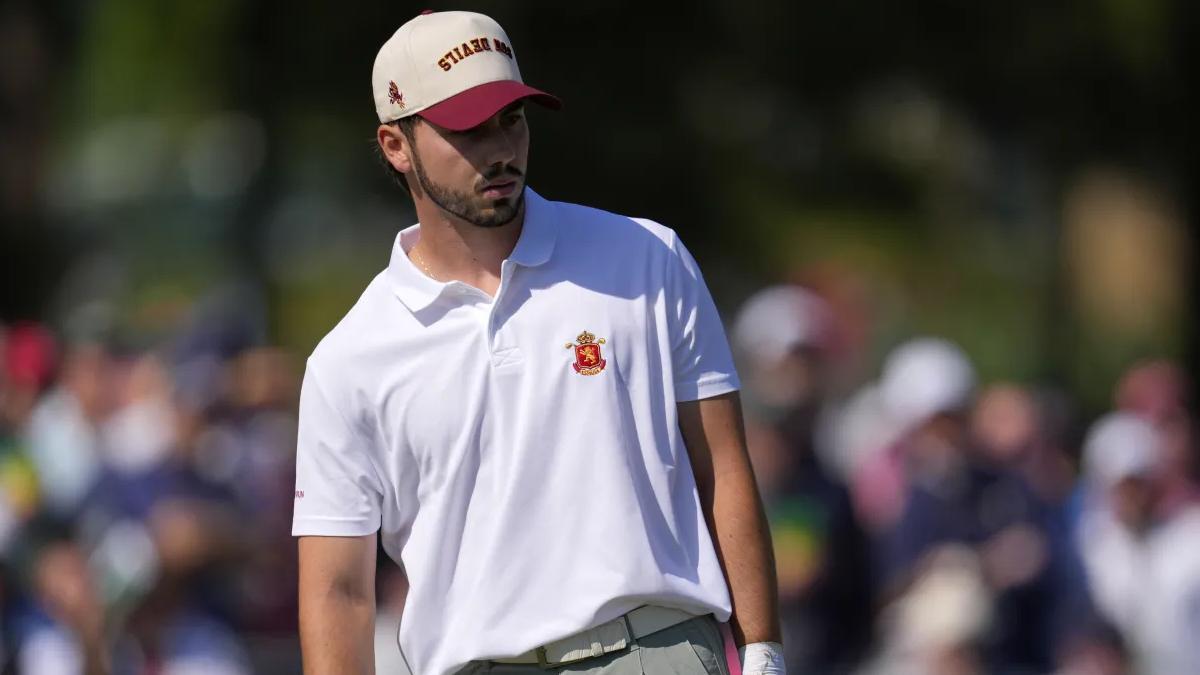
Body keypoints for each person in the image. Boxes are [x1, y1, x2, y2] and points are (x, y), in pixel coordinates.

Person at [291, 10, 782, 675]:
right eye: (469, 128)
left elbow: (720, 466)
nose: (501, 148)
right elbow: (338, 591)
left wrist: (763, 650)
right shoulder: (347, 359)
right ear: (396, 145)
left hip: (654, 649)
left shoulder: (648, 257)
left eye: (512, 119)